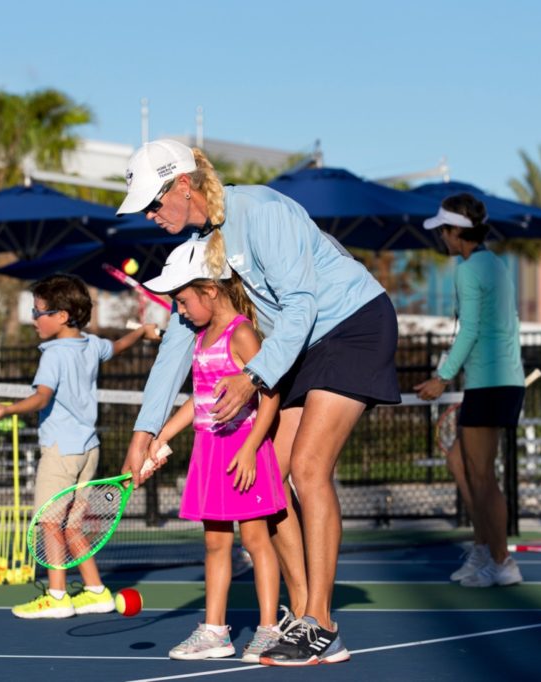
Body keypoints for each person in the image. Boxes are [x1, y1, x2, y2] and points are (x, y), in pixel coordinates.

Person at [117, 139, 400, 666]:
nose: (151, 216)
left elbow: (301, 303)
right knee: (269, 477)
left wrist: (254, 376)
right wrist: (144, 433)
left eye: (154, 204)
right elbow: (176, 346)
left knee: (310, 470)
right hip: (299, 344)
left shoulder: (262, 212)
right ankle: (299, 613)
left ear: (184, 185)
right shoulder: (196, 249)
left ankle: (322, 622)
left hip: (353, 325)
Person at [141, 240, 287, 662]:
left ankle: (267, 630)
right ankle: (214, 632)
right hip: (209, 453)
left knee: (257, 540)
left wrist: (251, 449)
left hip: (244, 452)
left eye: (184, 301)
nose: (180, 311)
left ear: (210, 290)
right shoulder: (202, 337)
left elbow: (271, 394)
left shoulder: (242, 332)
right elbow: (198, 400)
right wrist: (160, 436)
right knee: (215, 544)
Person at [0, 273, 159, 619]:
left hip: (61, 452)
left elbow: (41, 396)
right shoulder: (91, 345)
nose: (33, 318)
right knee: (72, 526)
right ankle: (96, 592)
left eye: (39, 312)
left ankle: (57, 595)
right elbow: (118, 347)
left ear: (61, 316)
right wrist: (142, 331)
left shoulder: (53, 355)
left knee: (49, 523)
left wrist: (8, 410)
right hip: (88, 451)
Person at [413, 193, 525, 588]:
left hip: (491, 384)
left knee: (482, 477)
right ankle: (483, 551)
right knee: (461, 463)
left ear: (457, 231)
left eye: (444, 230)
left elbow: (472, 330)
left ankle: (501, 561)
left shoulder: (468, 269)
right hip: (497, 382)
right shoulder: (494, 265)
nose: (442, 237)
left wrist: (442, 377)